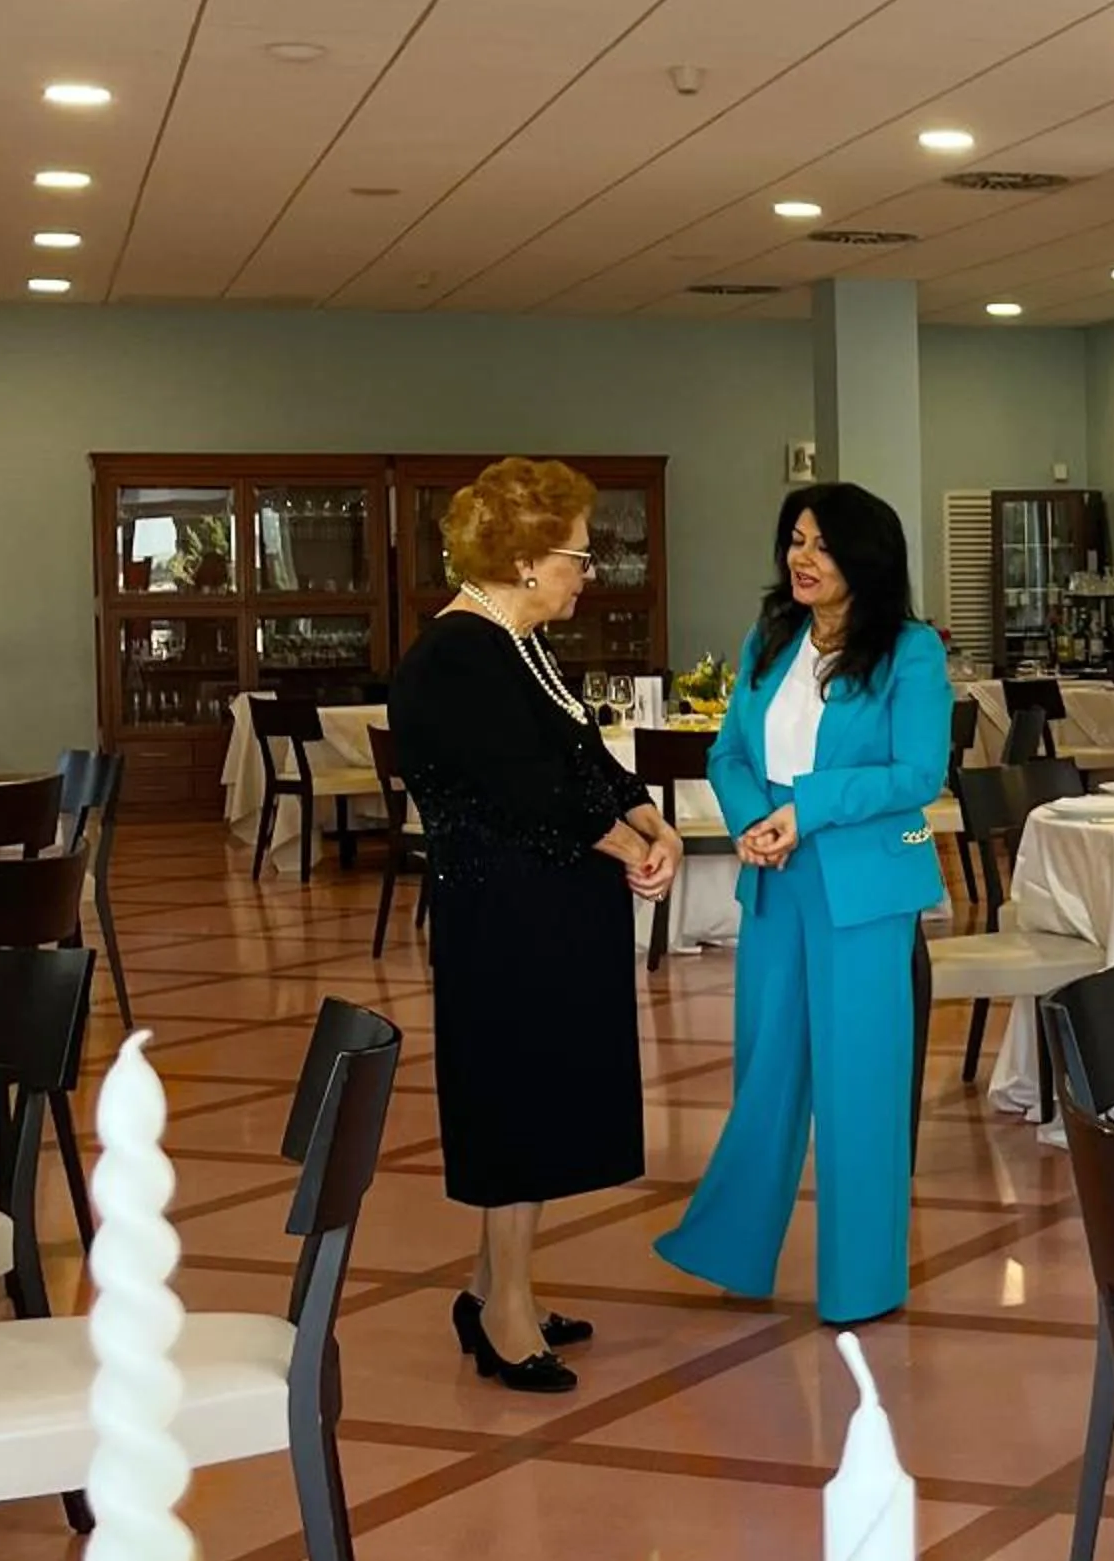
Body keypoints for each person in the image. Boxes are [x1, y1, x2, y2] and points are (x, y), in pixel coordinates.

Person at [389, 457, 681, 1395]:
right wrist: (622, 846)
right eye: (576, 559)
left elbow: (582, 754)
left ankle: (493, 1286)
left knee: (548, 1098)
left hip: (552, 909)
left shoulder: (520, 645)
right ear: (521, 560)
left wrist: (650, 819)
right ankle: (504, 1312)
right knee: (515, 1104)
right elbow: (524, 793)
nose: (585, 574)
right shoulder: (457, 655)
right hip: (504, 919)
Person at [656, 484, 950, 1327]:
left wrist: (807, 809)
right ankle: (732, 1249)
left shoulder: (910, 651)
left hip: (863, 887)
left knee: (859, 1082)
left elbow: (917, 774)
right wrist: (752, 820)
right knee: (766, 1073)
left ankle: (862, 1282)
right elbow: (727, 753)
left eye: (820, 543)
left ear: (865, 556)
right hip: (774, 880)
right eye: (795, 539)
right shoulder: (769, 638)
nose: (801, 557)